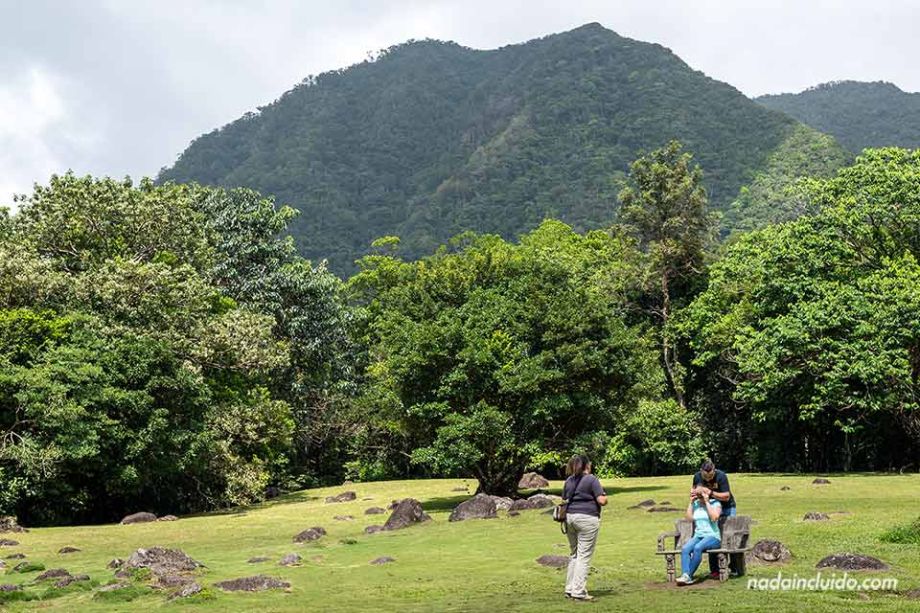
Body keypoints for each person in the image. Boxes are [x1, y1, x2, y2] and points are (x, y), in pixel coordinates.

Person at [562, 454, 608, 601]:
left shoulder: (569, 480)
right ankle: (579, 591)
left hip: (570, 518)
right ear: (587, 465)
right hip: (587, 518)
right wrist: (604, 496)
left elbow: (564, 498)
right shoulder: (591, 479)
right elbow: (601, 500)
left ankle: (570, 588)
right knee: (584, 556)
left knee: (574, 554)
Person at [691, 458, 736, 577]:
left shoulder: (721, 476)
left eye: (711, 476)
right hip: (708, 507)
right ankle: (714, 570)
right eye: (706, 477)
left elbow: (726, 496)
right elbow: (694, 492)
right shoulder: (697, 477)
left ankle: (734, 567)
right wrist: (697, 494)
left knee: (730, 536)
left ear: (714, 471)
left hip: (727, 507)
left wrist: (710, 492)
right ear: (701, 471)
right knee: (711, 534)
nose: (708, 479)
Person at [676, 488, 722, 585]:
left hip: (713, 537)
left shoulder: (715, 503)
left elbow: (714, 518)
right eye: (698, 496)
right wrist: (691, 502)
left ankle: (688, 575)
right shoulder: (696, 504)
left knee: (698, 548)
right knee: (685, 549)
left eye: (701, 495)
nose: (700, 498)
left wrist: (707, 502)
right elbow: (689, 519)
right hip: (699, 536)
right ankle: (686, 574)